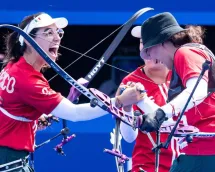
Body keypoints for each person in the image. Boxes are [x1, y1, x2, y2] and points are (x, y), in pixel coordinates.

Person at [0, 12, 144, 172]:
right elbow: (75, 114)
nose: (57, 38)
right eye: (48, 32)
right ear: (27, 39)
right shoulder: (27, 79)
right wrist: (119, 101)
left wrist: (69, 98)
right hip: (10, 163)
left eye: (58, 33)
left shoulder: (14, 67)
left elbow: (14, 111)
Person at [139, 12, 215, 172]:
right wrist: (143, 104)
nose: (151, 58)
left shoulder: (184, 53)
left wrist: (160, 113)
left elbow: (198, 90)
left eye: (149, 50)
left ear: (161, 42)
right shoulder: (193, 54)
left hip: (208, 150)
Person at [116, 25, 184, 172]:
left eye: (157, 44)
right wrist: (127, 107)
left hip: (186, 165)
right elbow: (129, 138)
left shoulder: (186, 76)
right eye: (144, 43)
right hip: (148, 167)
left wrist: (144, 101)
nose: (151, 51)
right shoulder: (129, 83)